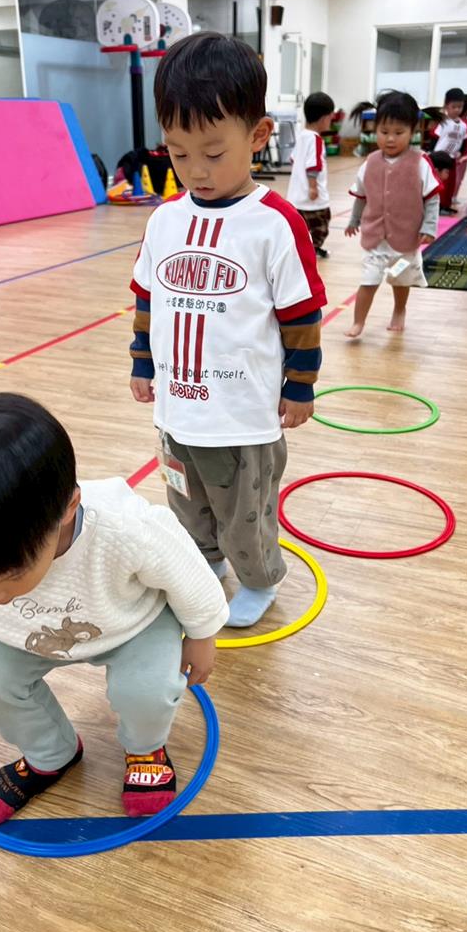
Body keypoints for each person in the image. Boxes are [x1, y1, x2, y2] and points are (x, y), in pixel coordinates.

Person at [0, 393, 229, 824]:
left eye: (8, 579)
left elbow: (186, 571)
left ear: (67, 510)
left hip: (132, 623)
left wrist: (202, 634)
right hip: (27, 634)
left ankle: (145, 749)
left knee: (146, 689)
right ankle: (50, 753)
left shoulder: (126, 528)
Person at [129, 32, 327, 628]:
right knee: (185, 499)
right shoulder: (165, 220)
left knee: (245, 510)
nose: (196, 170)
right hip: (177, 408)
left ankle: (260, 577)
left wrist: (300, 386)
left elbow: (301, 314)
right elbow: (147, 296)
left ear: (258, 135)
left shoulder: (274, 223)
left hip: (242, 414)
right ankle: (206, 562)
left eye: (214, 153)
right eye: (178, 153)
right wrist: (142, 362)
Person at [345, 90, 442, 338]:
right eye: (384, 131)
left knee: (400, 279)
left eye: (399, 133)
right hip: (375, 240)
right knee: (368, 280)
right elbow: (361, 195)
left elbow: (432, 198)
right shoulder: (370, 162)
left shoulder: (420, 162)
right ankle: (358, 322)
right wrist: (354, 220)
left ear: (413, 131)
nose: (390, 139)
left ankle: (399, 310)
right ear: (374, 129)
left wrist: (429, 226)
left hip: (405, 241)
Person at [287, 91, 335, 258]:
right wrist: (313, 187)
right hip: (312, 200)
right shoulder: (316, 140)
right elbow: (313, 166)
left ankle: (307, 248)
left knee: (302, 228)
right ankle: (311, 249)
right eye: (330, 118)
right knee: (321, 226)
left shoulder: (301, 136)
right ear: (324, 119)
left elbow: (293, 159)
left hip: (296, 197)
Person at [430, 87, 467, 213]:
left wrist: (461, 152)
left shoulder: (463, 126)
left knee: (451, 182)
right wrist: (431, 154)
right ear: (447, 106)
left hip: (452, 157)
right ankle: (439, 206)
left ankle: (447, 204)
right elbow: (435, 137)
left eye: (460, 107)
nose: (457, 110)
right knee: (440, 182)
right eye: (454, 107)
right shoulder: (443, 122)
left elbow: (464, 140)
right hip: (440, 157)